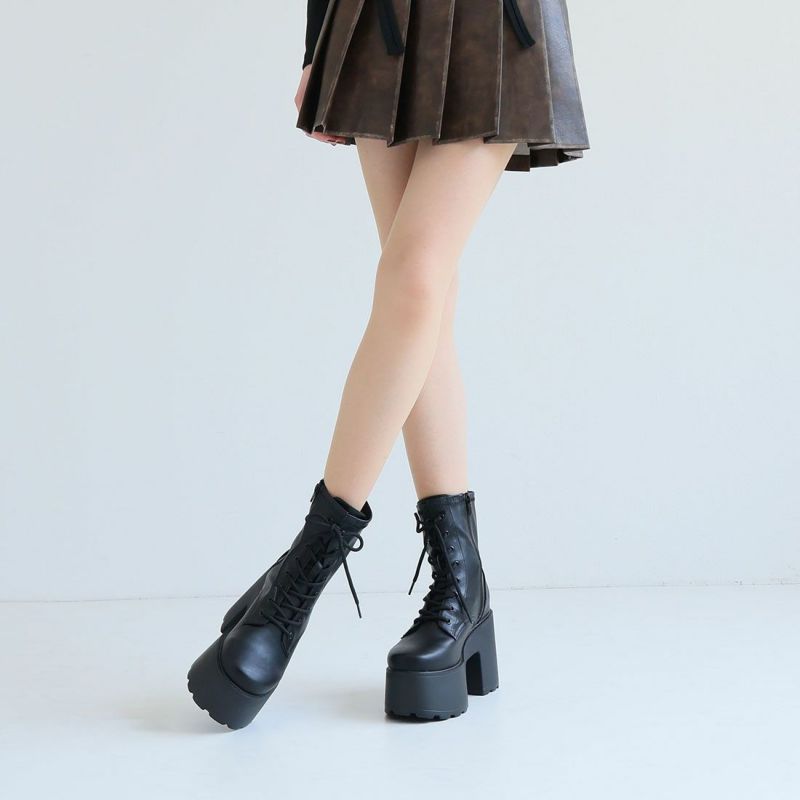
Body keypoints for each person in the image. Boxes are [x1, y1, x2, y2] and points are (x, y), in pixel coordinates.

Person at [188, 0, 589, 729]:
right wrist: (317, 42)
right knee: (419, 299)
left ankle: (298, 581)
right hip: (379, 20)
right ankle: (462, 590)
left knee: (415, 280)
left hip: (493, 24)